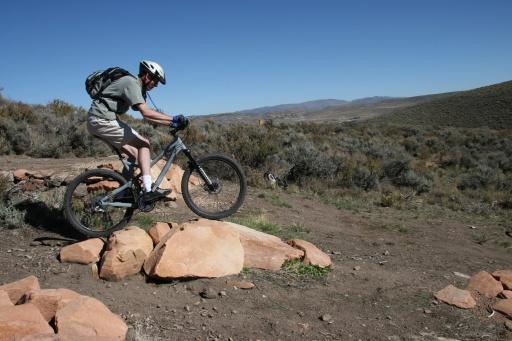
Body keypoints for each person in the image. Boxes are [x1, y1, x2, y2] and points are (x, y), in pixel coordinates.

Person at [87, 60, 188, 203]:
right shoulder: (131, 82)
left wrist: (170, 122)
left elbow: (148, 115)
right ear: (147, 76)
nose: (156, 85)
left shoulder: (136, 86)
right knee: (144, 144)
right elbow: (146, 113)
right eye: (155, 81)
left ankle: (123, 195)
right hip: (101, 120)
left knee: (135, 155)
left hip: (100, 120)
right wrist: (172, 119)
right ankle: (148, 190)